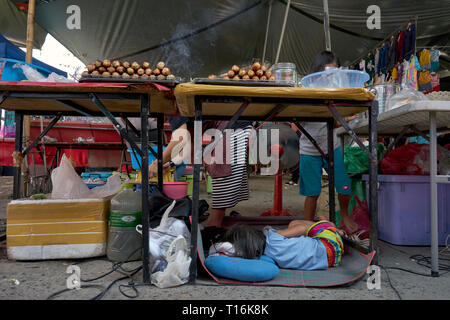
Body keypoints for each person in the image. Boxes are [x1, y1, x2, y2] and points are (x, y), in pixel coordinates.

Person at [149, 115, 253, 227]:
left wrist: (157, 163)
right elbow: (190, 145)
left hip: (233, 124)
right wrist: (171, 163)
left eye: (154, 115)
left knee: (222, 172)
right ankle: (213, 225)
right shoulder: (181, 115)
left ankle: (214, 228)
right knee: (219, 171)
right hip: (229, 125)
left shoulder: (174, 107)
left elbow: (181, 138)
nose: (154, 119)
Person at [299, 51, 359, 235]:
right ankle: (308, 225)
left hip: (332, 147)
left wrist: (345, 119)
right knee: (312, 192)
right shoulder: (306, 90)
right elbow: (297, 124)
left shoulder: (337, 92)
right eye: (327, 71)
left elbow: (332, 123)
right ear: (317, 71)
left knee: (344, 185)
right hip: (309, 149)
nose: (330, 76)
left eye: (335, 72)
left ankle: (344, 216)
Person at [222, 215, 344, 270]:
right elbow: (303, 229)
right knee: (294, 224)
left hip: (330, 261)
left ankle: (329, 228)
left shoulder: (267, 257)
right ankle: (332, 227)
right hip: (331, 244)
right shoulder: (273, 237)